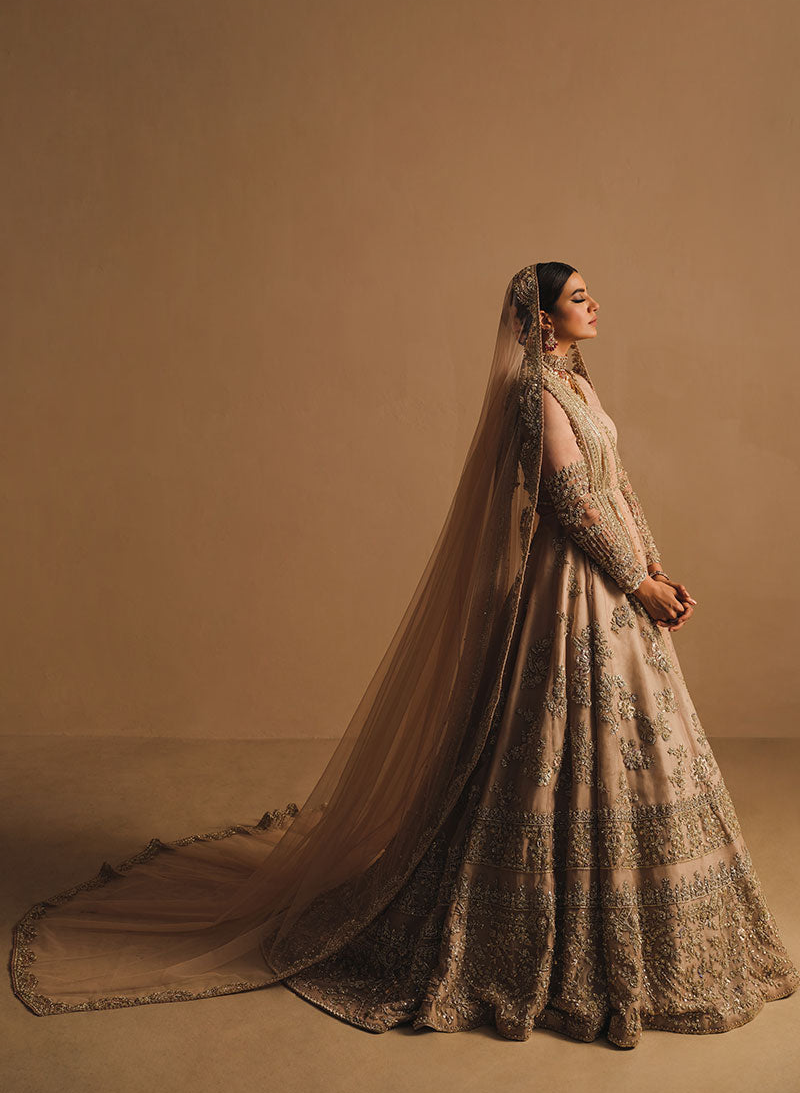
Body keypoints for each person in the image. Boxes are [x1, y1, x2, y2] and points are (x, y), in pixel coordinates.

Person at [9, 262, 799, 1049]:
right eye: (579, 296)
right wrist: (635, 582)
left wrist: (656, 570)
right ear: (543, 318)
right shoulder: (533, 391)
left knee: (640, 753)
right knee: (550, 753)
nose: (596, 304)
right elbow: (568, 502)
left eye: (590, 293)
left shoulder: (579, 382)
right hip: (571, 592)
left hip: (617, 590)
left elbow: (617, 486)